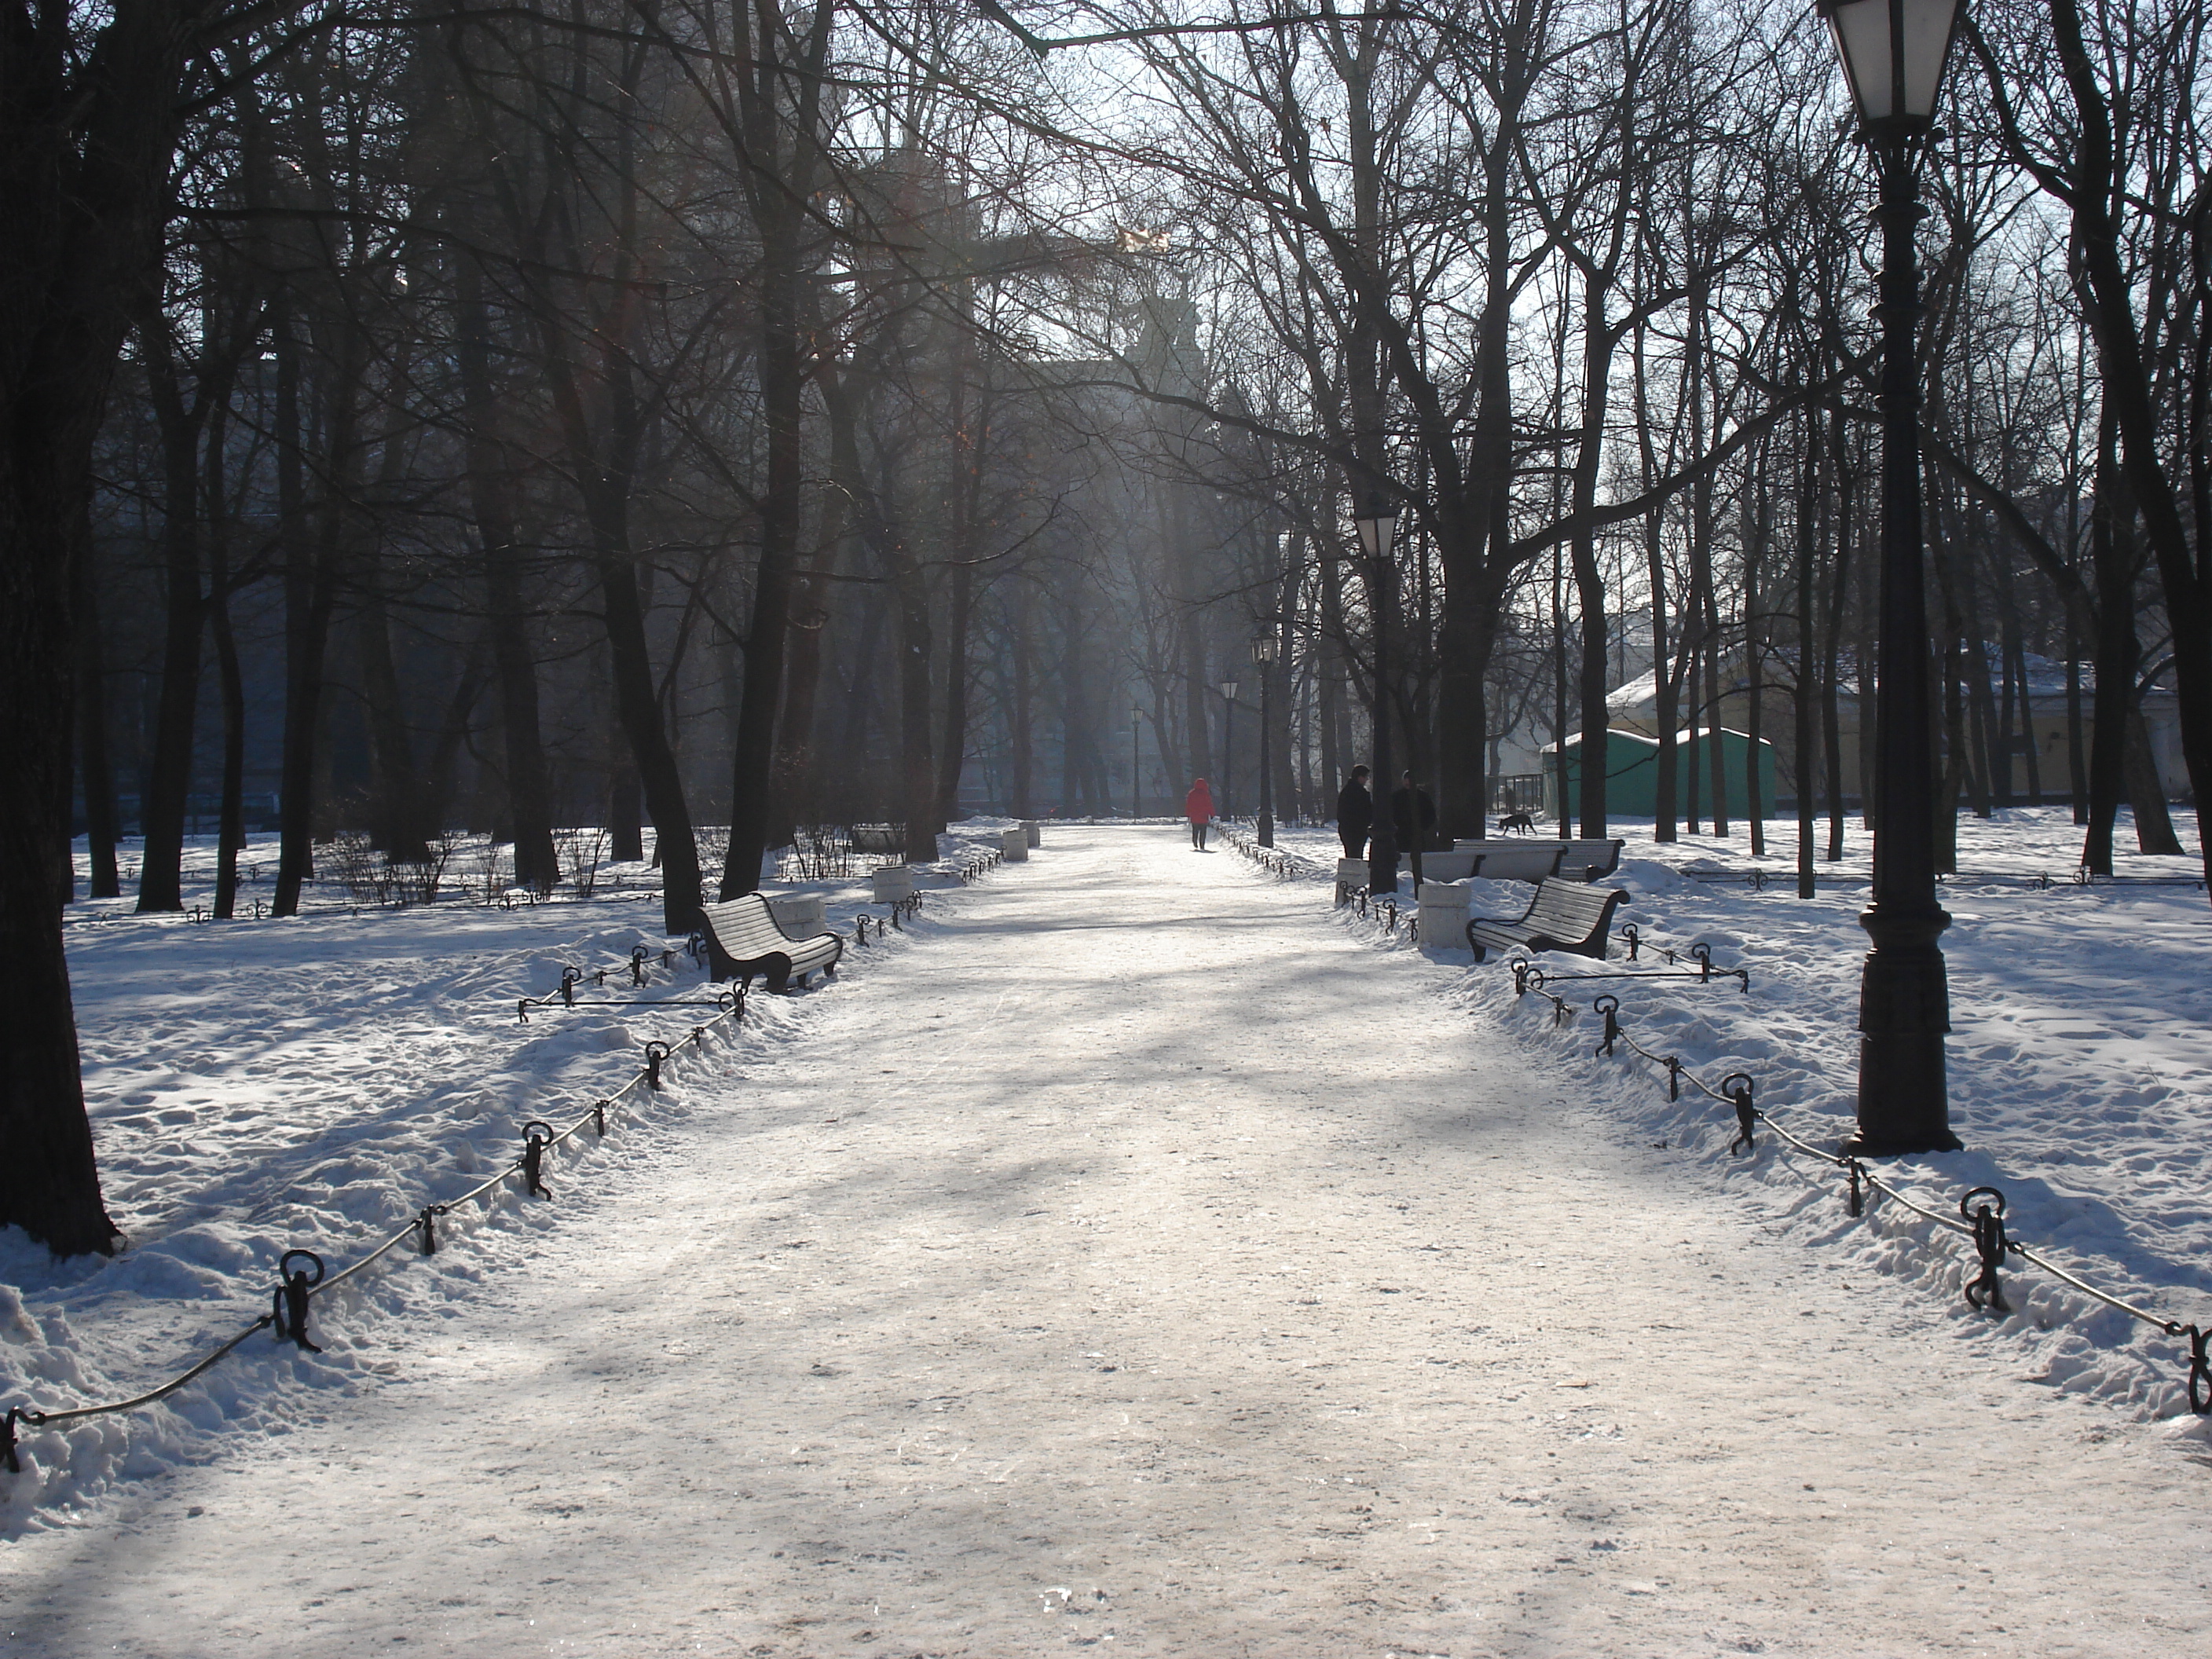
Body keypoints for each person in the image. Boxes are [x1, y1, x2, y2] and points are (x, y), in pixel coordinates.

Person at [1390, 769, 1437, 851]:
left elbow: (1431, 815)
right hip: (1402, 834)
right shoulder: (1396, 797)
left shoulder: (1422, 796)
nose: (1407, 783)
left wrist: (1422, 826)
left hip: (1414, 833)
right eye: (1406, 780)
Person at [1335, 766, 1372, 857]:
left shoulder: (1346, 791)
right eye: (1366, 777)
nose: (1367, 779)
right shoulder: (1360, 793)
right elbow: (1366, 811)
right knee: (1356, 854)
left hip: (1347, 830)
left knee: (1352, 854)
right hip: (1357, 830)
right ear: (1360, 777)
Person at [1184, 777, 1215, 849]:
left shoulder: (1191, 793)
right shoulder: (1206, 794)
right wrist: (1212, 814)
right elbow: (1209, 805)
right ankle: (1202, 844)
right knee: (1203, 832)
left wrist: (1188, 814)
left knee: (1195, 830)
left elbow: (1189, 804)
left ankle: (1195, 841)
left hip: (1194, 816)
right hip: (1203, 816)